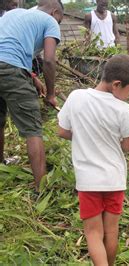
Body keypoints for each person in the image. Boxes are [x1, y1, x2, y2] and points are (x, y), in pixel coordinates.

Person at [57, 55, 129, 265]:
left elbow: (62, 131)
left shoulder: (76, 97)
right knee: (111, 231)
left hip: (88, 181)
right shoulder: (123, 110)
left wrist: (83, 137)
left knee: (93, 233)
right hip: (114, 180)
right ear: (116, 85)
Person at [0, 0, 63, 190]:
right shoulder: (50, 21)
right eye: (60, 20)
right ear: (55, 12)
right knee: (33, 129)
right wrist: (51, 94)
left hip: (8, 65)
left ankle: (1, 164)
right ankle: (41, 189)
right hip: (11, 70)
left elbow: (8, 47)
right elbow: (50, 61)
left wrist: (33, 77)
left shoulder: (12, 14)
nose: (58, 24)